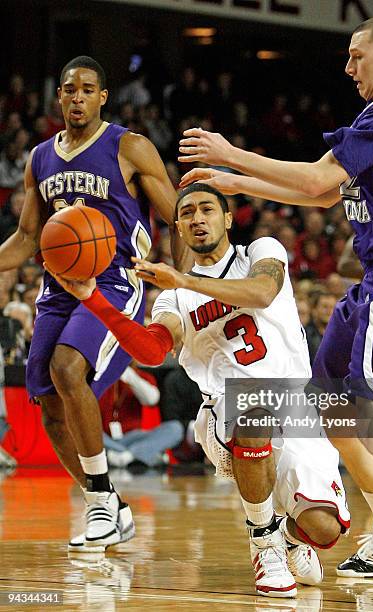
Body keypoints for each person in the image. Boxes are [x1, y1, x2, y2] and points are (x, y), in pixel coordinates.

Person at [176, 15, 373, 603]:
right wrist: (242, 182)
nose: (347, 67)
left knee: (371, 403)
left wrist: (233, 153)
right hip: (371, 281)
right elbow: (326, 189)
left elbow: (316, 181)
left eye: (356, 56)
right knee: (331, 404)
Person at [47, 183, 350, 599]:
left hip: (296, 406)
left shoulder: (262, 252)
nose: (197, 218)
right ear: (179, 228)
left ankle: (287, 537)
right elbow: (152, 351)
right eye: (186, 213)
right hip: (226, 408)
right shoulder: (173, 297)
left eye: (207, 209)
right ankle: (263, 543)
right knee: (252, 405)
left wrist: (185, 279)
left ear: (227, 219)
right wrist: (93, 298)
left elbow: (262, 292)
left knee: (325, 529)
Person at [0, 56, 189, 552]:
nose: (77, 97)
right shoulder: (40, 157)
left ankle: (101, 503)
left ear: (103, 96)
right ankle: (109, 507)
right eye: (69, 89)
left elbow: (179, 217)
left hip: (114, 283)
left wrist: (184, 282)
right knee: (49, 407)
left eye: (87, 89)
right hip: (58, 286)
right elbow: (25, 238)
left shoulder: (129, 146)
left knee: (68, 368)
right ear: (58, 97)